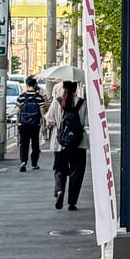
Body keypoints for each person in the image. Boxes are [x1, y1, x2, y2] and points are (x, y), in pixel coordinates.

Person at [45, 80, 88, 210]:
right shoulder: (82, 102)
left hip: (60, 143)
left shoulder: (57, 102)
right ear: (76, 89)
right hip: (79, 143)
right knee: (77, 172)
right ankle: (72, 202)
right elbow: (86, 122)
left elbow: (49, 120)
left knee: (59, 169)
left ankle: (59, 190)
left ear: (63, 88)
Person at [16, 75, 46, 172]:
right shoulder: (39, 97)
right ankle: (34, 163)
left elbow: (17, 110)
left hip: (23, 124)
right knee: (35, 144)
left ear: (26, 84)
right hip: (35, 124)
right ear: (35, 85)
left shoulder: (21, 97)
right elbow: (42, 112)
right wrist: (44, 124)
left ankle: (23, 161)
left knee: (23, 143)